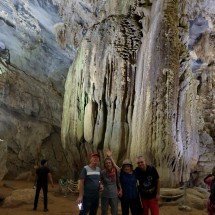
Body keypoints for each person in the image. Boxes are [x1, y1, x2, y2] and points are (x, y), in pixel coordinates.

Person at [106, 150, 142, 215]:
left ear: (131, 167)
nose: (127, 168)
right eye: (125, 166)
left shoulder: (135, 173)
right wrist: (110, 157)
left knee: (135, 212)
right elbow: (115, 166)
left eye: (128, 166)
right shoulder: (122, 173)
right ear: (123, 167)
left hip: (134, 197)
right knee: (125, 212)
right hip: (125, 198)